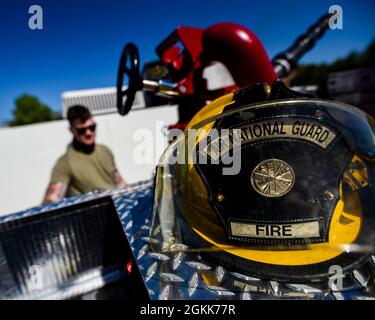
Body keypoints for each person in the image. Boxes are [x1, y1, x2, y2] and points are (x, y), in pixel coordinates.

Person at [43, 105, 126, 203]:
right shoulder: (65, 162)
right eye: (81, 130)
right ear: (72, 130)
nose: (88, 133)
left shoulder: (105, 150)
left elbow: (120, 183)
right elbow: (51, 200)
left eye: (92, 127)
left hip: (117, 206)